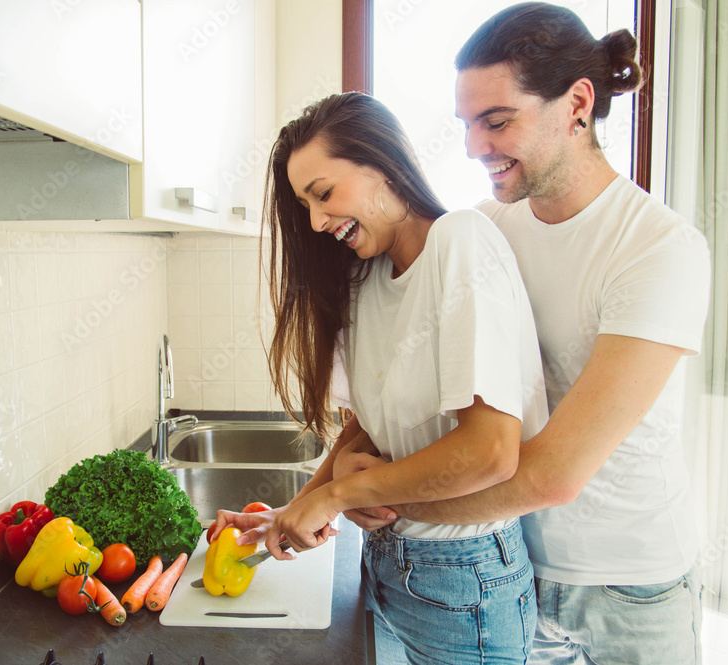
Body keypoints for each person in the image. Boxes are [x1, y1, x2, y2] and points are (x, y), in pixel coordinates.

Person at [330, 3, 712, 664]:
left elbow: (555, 474)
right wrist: (334, 476)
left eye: (497, 120)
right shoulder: (486, 229)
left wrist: (374, 498)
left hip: (629, 593)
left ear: (577, 104)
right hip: (516, 570)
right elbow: (414, 388)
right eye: (467, 124)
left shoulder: (658, 248)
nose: (476, 146)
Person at [213, 91, 549, 664]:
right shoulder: (367, 281)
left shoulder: (460, 243)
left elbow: (491, 452)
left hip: (466, 582)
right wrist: (299, 508)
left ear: (382, 163)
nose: (316, 221)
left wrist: (343, 494)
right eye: (306, 206)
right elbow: (369, 427)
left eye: (323, 194)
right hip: (389, 567)